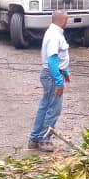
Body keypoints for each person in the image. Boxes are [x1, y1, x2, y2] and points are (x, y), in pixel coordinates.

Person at [28, 10, 70, 152]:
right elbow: (52, 60)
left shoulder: (55, 32)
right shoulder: (54, 36)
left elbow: (60, 57)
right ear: (64, 20)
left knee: (45, 107)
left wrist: (66, 71)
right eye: (67, 19)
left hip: (51, 75)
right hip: (52, 76)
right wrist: (59, 81)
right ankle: (44, 140)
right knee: (53, 109)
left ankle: (34, 139)